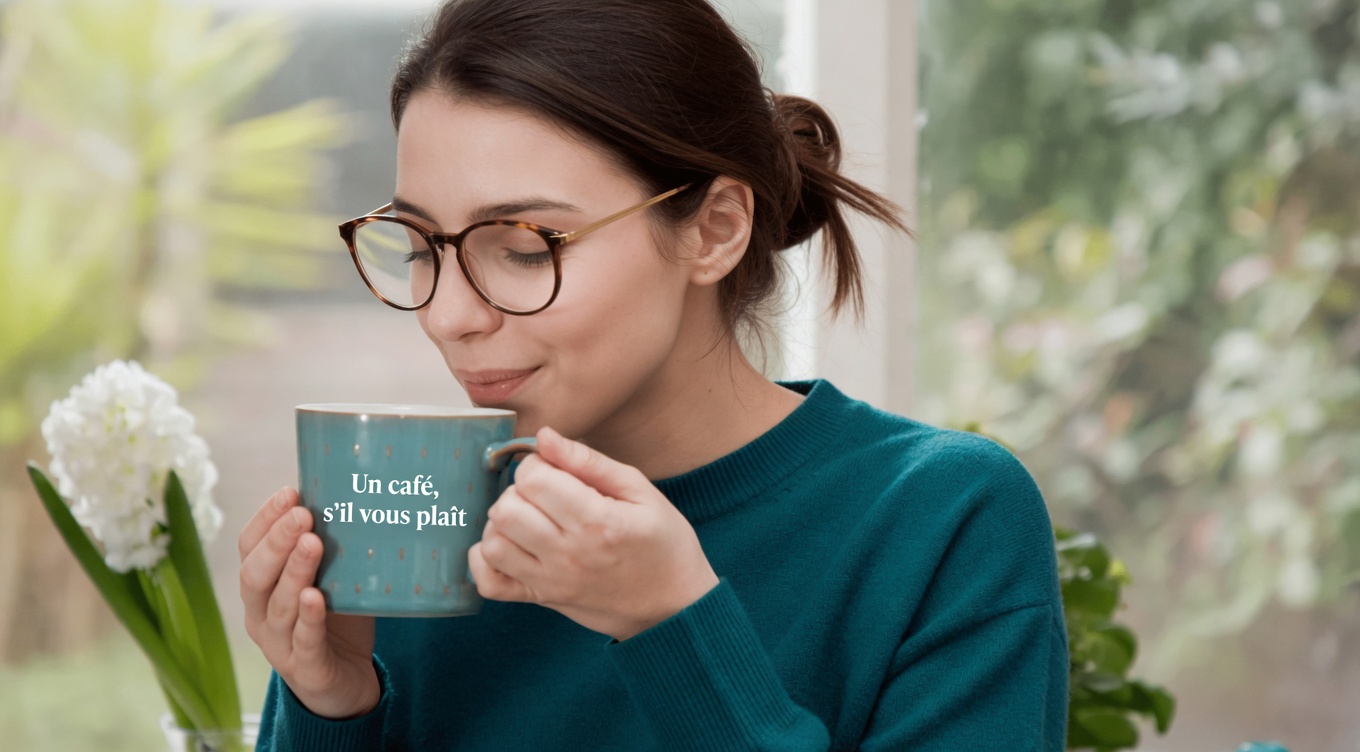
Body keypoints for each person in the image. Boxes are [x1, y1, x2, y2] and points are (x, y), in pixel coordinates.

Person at [238, 0, 1069, 749]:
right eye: (421, 247)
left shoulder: (945, 521)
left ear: (714, 229)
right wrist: (333, 707)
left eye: (526, 248)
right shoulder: (416, 532)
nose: (448, 315)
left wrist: (672, 622)